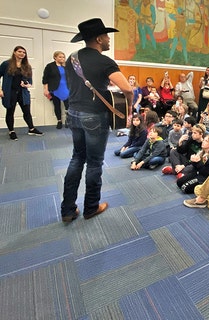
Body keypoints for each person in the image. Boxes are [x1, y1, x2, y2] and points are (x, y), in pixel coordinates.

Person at [60, 18, 133, 223]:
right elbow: (127, 88)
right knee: (94, 163)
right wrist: (129, 107)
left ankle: (67, 210)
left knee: (76, 159)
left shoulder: (71, 59)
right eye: (107, 36)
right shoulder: (105, 61)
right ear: (99, 39)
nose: (109, 39)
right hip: (94, 117)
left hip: (73, 113)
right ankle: (91, 207)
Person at [0, 45, 43, 140]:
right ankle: (11, 131)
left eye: (24, 52)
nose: (22, 54)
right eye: (20, 51)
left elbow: (30, 82)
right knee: (10, 111)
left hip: (22, 92)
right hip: (10, 92)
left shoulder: (27, 66)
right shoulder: (6, 64)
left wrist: (26, 85)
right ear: (14, 52)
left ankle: (31, 129)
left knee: (27, 112)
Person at [42, 51, 70, 129]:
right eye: (60, 57)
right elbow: (45, 79)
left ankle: (68, 120)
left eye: (63, 57)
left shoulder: (66, 66)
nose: (62, 58)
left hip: (66, 88)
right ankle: (59, 121)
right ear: (55, 57)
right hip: (55, 88)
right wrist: (46, 89)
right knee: (57, 105)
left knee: (68, 106)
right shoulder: (50, 66)